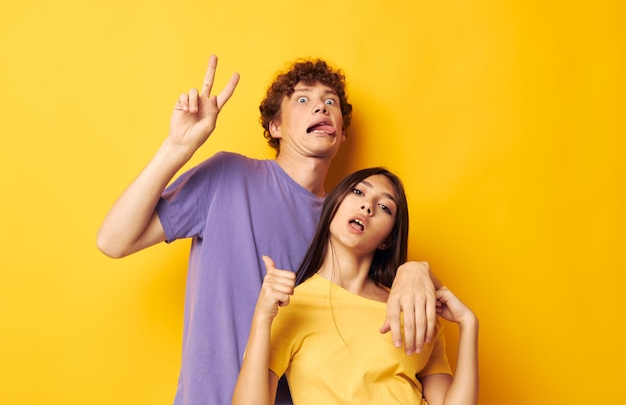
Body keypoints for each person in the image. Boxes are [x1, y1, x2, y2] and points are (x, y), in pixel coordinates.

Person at [97, 55, 439, 405]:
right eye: (303, 99)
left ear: (342, 133)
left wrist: (414, 271)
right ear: (275, 126)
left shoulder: (344, 224)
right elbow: (113, 241)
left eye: (330, 102)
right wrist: (177, 148)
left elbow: (373, 303)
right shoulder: (228, 176)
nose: (320, 107)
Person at [232, 167, 479, 405]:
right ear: (333, 206)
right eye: (359, 192)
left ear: (388, 240)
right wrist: (263, 316)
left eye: (384, 207)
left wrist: (468, 324)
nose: (367, 206)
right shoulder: (292, 306)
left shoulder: (414, 308)